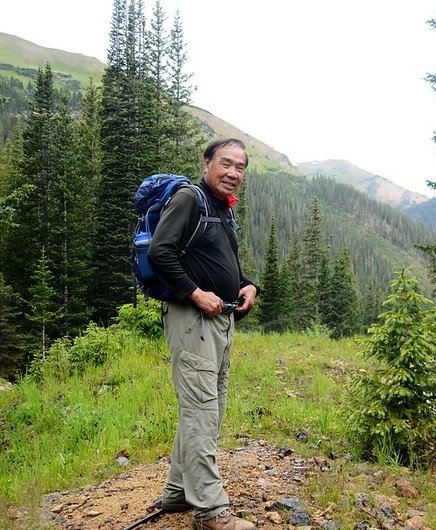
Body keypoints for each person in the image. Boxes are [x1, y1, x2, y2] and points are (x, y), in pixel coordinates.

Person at [147, 138, 259, 530]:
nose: (233, 173)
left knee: (207, 409)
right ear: (207, 162)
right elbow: (159, 252)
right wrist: (195, 293)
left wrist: (247, 285)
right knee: (201, 410)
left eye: (240, 167)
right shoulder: (189, 199)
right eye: (226, 164)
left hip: (220, 321)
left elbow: (220, 262)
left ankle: (179, 491)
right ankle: (210, 511)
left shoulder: (221, 209)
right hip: (193, 319)